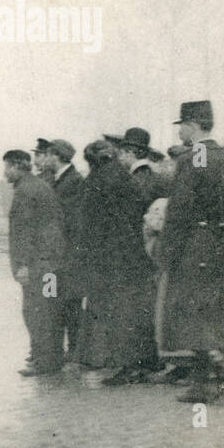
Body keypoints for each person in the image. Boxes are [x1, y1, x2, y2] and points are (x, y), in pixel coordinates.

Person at [159, 102, 224, 402]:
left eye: (182, 124)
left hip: (196, 243)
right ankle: (204, 381)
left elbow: (179, 211)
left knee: (189, 310)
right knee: (210, 312)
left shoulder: (194, 158)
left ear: (195, 124)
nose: (180, 130)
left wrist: (165, 251)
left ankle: (219, 370)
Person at [76, 140, 159, 384]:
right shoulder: (124, 177)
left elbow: (89, 225)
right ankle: (144, 363)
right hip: (131, 254)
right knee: (136, 310)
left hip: (109, 258)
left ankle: (128, 366)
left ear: (92, 160)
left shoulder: (96, 182)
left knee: (118, 313)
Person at [3, 149, 66, 376]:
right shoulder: (39, 186)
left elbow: (23, 233)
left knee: (37, 311)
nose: (4, 173)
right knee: (50, 309)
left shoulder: (25, 191)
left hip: (38, 266)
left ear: (17, 167)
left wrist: (22, 265)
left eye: (7, 167)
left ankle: (44, 362)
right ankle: (52, 359)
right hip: (52, 264)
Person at [33, 138, 86, 365]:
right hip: (57, 255)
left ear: (57, 156)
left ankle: (73, 350)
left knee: (69, 304)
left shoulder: (73, 181)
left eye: (50, 155)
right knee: (55, 301)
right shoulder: (59, 179)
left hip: (65, 255)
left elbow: (70, 220)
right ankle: (62, 350)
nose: (46, 158)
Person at [105, 127, 169, 205]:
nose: (120, 158)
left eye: (121, 153)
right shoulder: (157, 177)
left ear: (130, 153)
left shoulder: (130, 179)